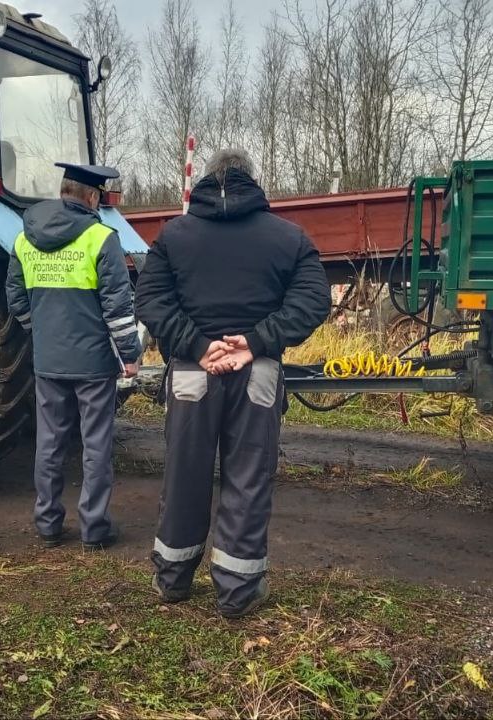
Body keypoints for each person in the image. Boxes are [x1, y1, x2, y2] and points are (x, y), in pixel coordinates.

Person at [134, 149, 330, 618]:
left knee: (185, 475)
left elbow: (150, 299)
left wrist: (198, 346)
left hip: (191, 373)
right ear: (251, 180)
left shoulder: (174, 236)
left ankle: (172, 579)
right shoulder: (288, 237)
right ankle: (238, 591)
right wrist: (257, 342)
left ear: (206, 180)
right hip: (257, 372)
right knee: (248, 477)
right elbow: (313, 300)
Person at [6, 162, 142, 550]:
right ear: (93, 197)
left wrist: (41, 332)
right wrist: (130, 353)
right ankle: (94, 529)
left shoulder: (24, 238)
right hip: (94, 365)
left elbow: (15, 298)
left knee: (49, 443)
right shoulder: (101, 239)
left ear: (63, 191)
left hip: (49, 362)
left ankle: (48, 524)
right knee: (96, 445)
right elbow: (118, 308)